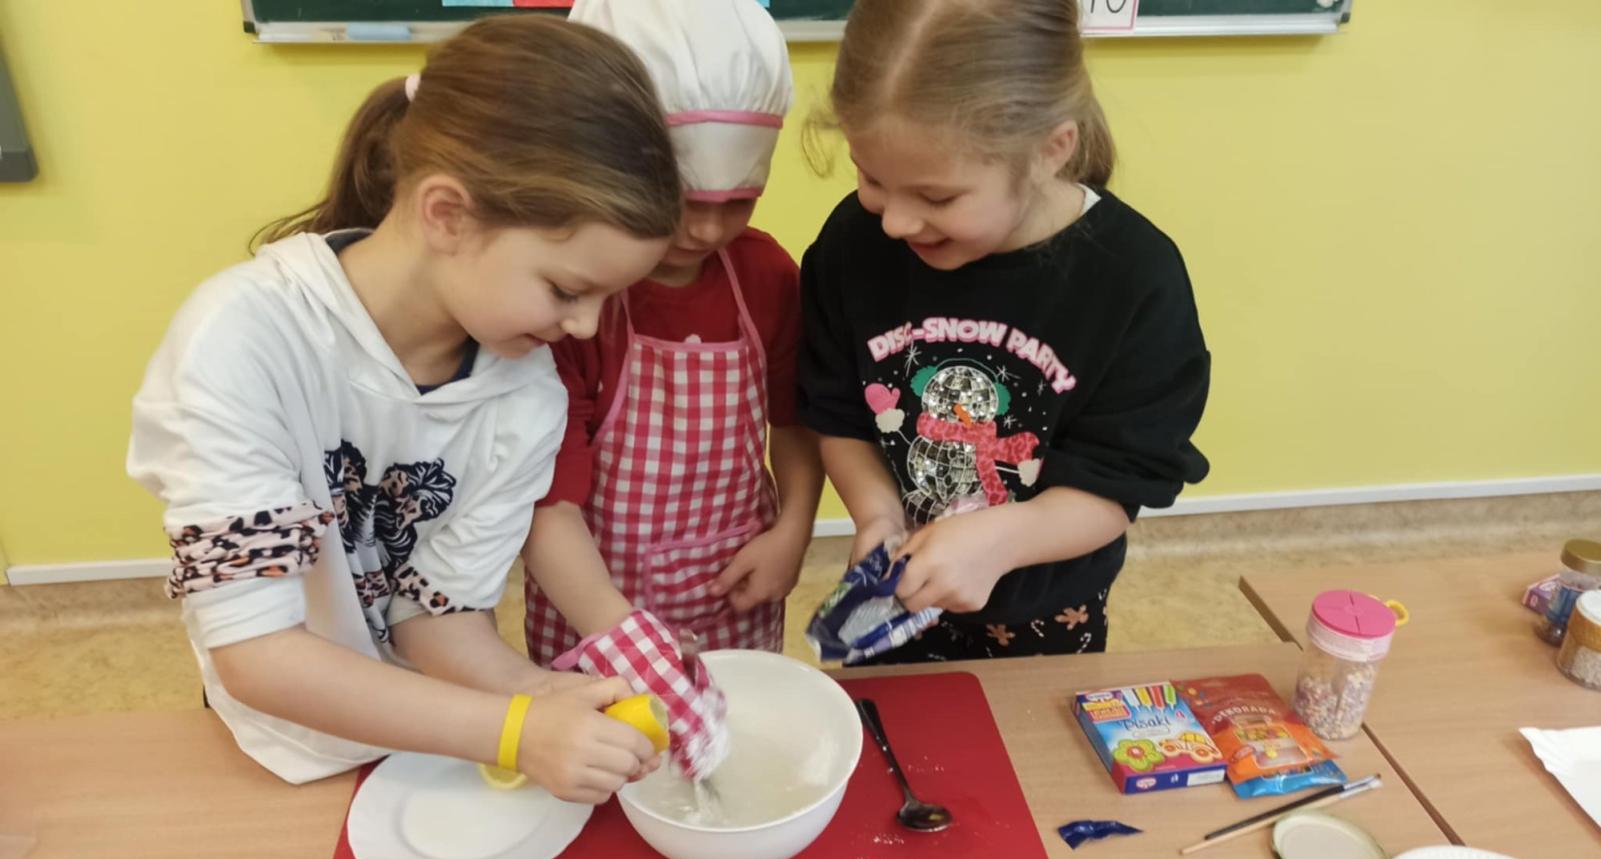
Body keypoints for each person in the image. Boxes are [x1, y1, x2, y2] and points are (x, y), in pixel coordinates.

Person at [127, 15, 680, 802]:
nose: (586, 328)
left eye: (605, 299)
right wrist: (516, 730)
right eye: (566, 289)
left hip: (433, 741)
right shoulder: (243, 340)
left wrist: (539, 695)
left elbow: (432, 617)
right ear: (446, 213)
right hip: (280, 746)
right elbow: (256, 654)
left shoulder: (526, 396)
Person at [799, 0, 1211, 663]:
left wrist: (1002, 540)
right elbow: (836, 412)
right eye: (870, 177)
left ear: (1050, 150)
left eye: (936, 198)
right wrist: (877, 515)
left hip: (1045, 610)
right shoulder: (854, 244)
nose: (895, 221)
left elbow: (1121, 478)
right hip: (898, 593)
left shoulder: (1133, 277)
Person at [521, 0, 821, 778]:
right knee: (604, 766)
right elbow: (545, 500)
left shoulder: (766, 276)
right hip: (591, 595)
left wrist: (793, 529)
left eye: (738, 203)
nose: (708, 231)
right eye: (683, 202)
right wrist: (627, 641)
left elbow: (793, 421)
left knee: (730, 745)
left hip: (734, 584)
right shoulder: (571, 303)